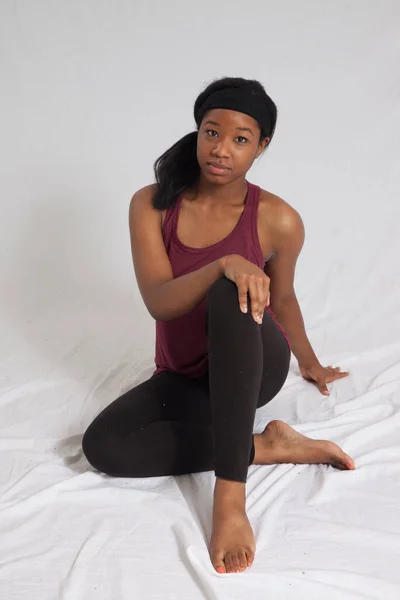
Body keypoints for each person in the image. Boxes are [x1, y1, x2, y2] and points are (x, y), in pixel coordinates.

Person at [82, 76, 355, 575]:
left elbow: (285, 297)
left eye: (241, 139)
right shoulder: (151, 204)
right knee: (103, 447)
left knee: (234, 292)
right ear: (198, 131)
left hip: (255, 366)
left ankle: (230, 498)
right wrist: (223, 262)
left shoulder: (278, 219)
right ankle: (266, 446)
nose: (221, 149)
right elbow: (160, 303)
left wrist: (311, 364)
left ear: (262, 146)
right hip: (186, 374)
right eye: (212, 132)